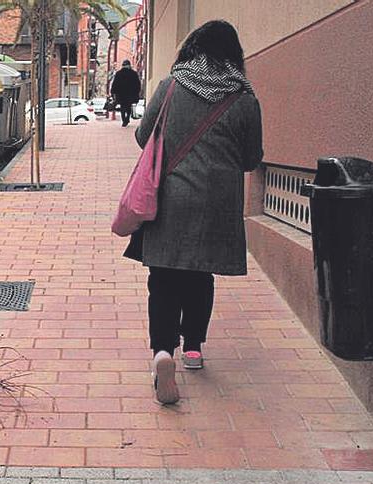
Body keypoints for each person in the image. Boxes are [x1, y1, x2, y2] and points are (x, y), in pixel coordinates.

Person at [124, 20, 263, 404]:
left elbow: (142, 137)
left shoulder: (170, 87)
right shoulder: (244, 98)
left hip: (170, 198)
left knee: (163, 278)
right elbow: (251, 160)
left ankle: (162, 352)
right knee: (200, 278)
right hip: (217, 205)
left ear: (193, 49)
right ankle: (194, 348)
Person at [110, 60, 141, 127]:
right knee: (128, 107)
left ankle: (124, 120)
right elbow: (137, 84)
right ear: (129, 65)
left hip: (121, 94)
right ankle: (127, 119)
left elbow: (115, 84)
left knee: (122, 107)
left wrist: (113, 92)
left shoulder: (118, 74)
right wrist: (137, 93)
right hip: (130, 94)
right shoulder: (133, 73)